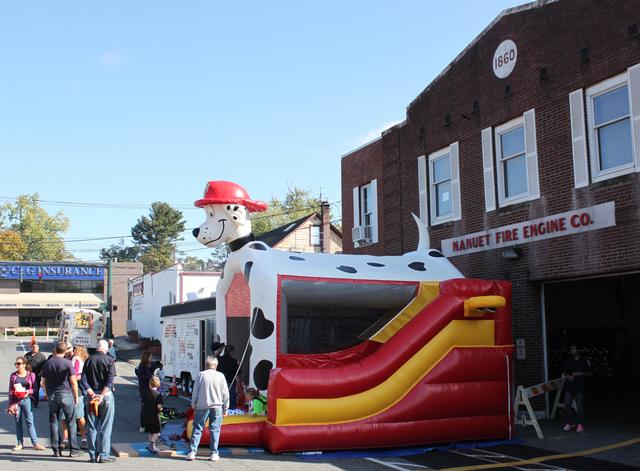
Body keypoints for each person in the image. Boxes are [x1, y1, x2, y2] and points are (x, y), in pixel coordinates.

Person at [41, 341, 83, 457]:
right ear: (65, 351)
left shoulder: (47, 363)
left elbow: (43, 382)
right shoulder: (67, 363)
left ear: (56, 350)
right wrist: (76, 396)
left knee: (53, 423)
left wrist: (47, 393)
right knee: (71, 423)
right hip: (65, 394)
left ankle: (56, 449)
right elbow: (73, 382)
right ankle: (74, 449)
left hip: (52, 395)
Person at [186, 356, 229, 462]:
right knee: (215, 430)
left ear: (206, 365)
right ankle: (214, 453)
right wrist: (226, 408)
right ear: (216, 365)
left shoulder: (201, 375)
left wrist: (193, 405)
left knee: (197, 429)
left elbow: (195, 392)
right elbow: (225, 393)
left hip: (202, 406)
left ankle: (192, 452)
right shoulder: (221, 376)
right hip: (217, 406)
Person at [81, 339, 117, 464]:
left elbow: (83, 379)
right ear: (106, 349)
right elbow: (110, 380)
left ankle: (92, 455)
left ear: (97, 348)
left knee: (92, 426)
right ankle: (104, 455)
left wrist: (91, 393)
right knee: (105, 427)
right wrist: (101, 394)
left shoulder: (89, 360)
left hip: (91, 396)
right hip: (105, 396)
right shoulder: (110, 360)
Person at [7, 356, 46, 451]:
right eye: (16, 364)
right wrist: (11, 405)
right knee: (18, 422)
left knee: (30, 422)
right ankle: (19, 443)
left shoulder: (31, 375)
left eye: (19, 364)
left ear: (24, 364)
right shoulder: (13, 375)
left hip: (26, 400)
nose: (17, 366)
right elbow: (11, 390)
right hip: (16, 401)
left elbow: (35, 389)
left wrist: (28, 392)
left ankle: (35, 443)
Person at [562, 344, 592, 433]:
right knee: (567, 403)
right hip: (569, 384)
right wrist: (568, 376)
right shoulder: (569, 360)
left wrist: (580, 373)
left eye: (574, 349)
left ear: (578, 350)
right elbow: (564, 370)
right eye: (571, 349)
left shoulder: (584, 360)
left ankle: (580, 424)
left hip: (580, 385)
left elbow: (590, 373)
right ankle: (571, 421)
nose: (572, 350)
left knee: (579, 405)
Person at [135, 351, 156, 432]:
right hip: (144, 389)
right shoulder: (142, 367)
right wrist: (151, 377)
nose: (152, 358)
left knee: (151, 408)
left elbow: (157, 366)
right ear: (146, 357)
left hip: (151, 389)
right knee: (145, 408)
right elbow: (142, 378)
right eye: (150, 357)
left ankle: (150, 425)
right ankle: (143, 425)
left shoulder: (151, 365)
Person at [142, 376, 164, 453]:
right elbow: (159, 406)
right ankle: (152, 445)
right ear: (158, 385)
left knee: (151, 432)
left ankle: (149, 444)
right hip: (155, 416)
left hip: (146, 415)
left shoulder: (145, 393)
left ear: (149, 384)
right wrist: (161, 409)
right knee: (157, 433)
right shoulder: (158, 395)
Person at [217, 345, 239, 409]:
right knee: (231, 403)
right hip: (230, 384)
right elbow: (237, 375)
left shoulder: (218, 359)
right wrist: (239, 386)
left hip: (219, 384)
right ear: (231, 352)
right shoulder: (234, 362)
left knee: (220, 403)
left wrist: (219, 350)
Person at [24, 343, 46, 408]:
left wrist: (42, 376)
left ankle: (35, 402)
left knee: (36, 389)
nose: (34, 348)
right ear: (31, 347)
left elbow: (44, 367)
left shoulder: (42, 356)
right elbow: (23, 364)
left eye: (36, 347)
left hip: (37, 375)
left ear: (38, 348)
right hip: (28, 375)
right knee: (28, 387)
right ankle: (28, 401)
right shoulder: (27, 355)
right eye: (33, 347)